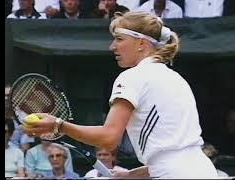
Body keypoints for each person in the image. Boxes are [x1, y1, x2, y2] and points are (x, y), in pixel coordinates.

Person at [23, 11, 218, 178]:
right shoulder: (176, 78)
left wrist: (59, 125)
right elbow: (172, 154)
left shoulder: (132, 77)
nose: (112, 47)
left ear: (141, 43)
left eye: (119, 39)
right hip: (203, 170)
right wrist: (132, 175)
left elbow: (109, 139)